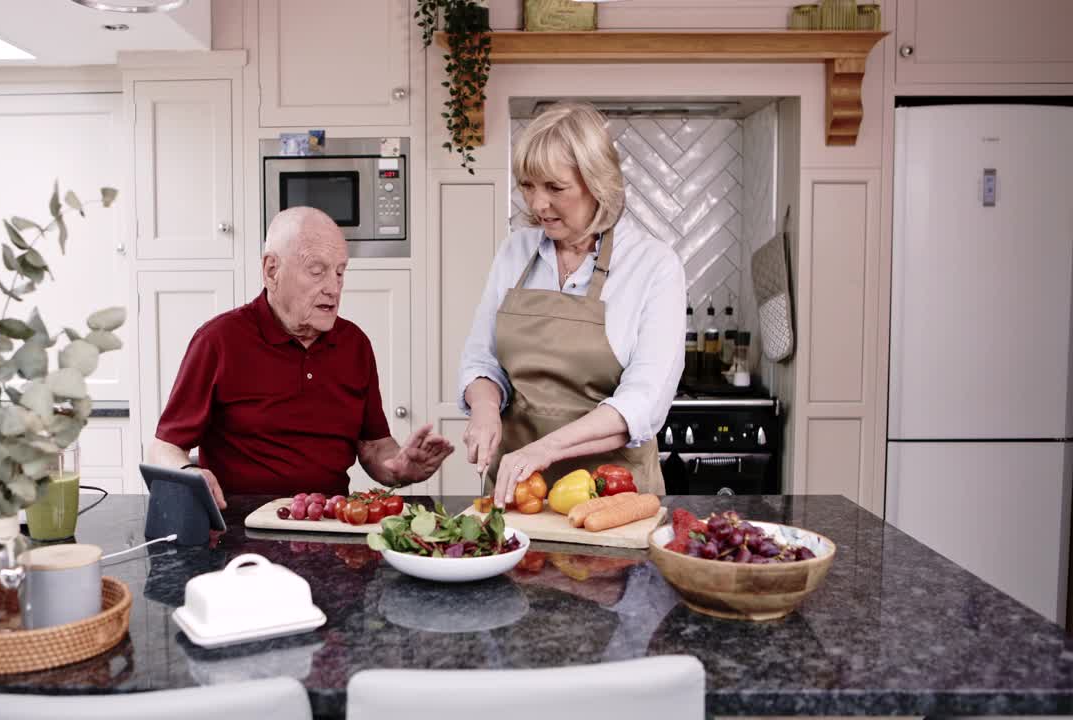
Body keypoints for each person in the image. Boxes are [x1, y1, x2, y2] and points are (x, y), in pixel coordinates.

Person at [458, 102, 686, 507]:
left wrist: (544, 450)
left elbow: (643, 403)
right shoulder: (515, 252)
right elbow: (482, 360)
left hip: (612, 500)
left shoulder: (653, 265)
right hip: (519, 495)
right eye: (528, 186)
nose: (537, 204)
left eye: (555, 188)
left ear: (597, 183)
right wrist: (485, 408)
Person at [149, 207, 454, 508]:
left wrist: (398, 468)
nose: (333, 288)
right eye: (317, 271)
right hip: (239, 531)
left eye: (340, 272)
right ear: (272, 270)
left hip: (331, 524)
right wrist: (188, 473)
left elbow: (373, 444)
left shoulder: (354, 344)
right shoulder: (218, 340)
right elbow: (164, 448)